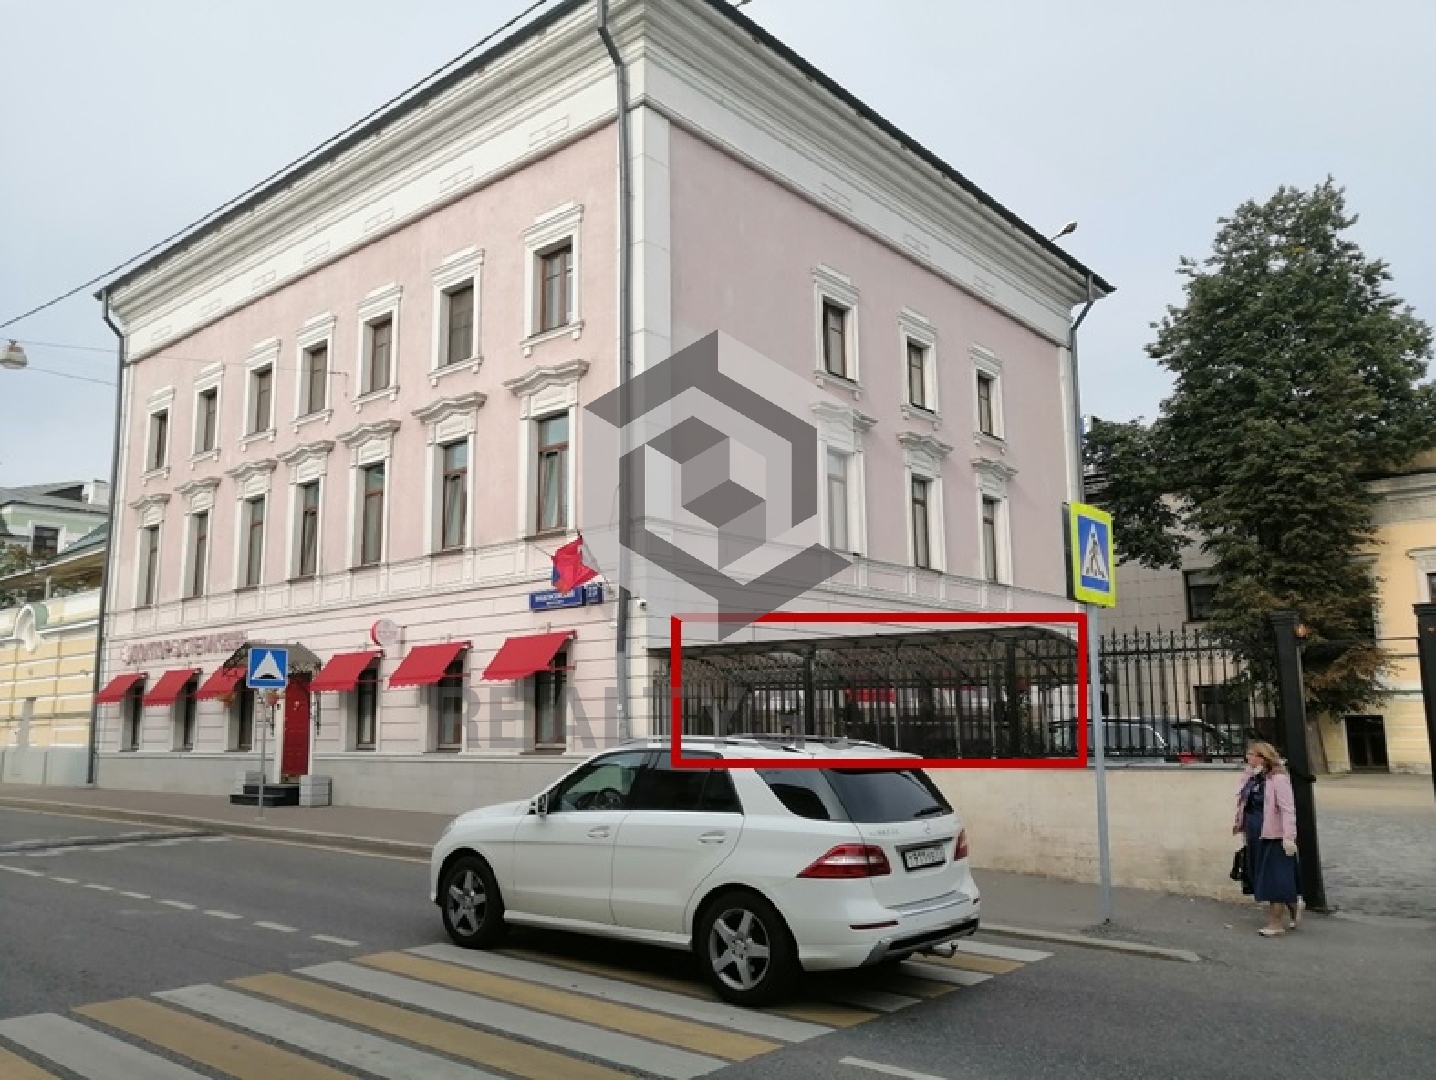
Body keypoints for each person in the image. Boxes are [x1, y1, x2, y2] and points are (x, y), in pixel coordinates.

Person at [1232, 740, 1302, 936]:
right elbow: (1241, 797)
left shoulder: (1278, 779)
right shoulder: (1253, 778)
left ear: (1263, 758)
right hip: (1254, 833)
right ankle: (1294, 904)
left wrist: (1289, 836)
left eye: (1252, 754)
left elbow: (1288, 809)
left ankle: (1275, 924)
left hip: (1273, 833)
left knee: (1273, 877)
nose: (1248, 758)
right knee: (1262, 875)